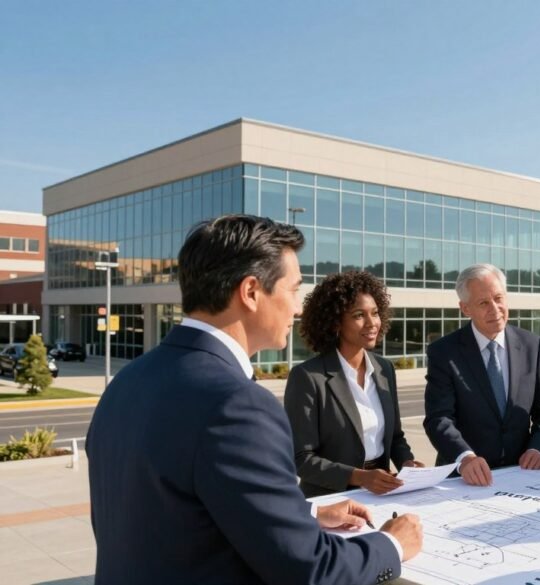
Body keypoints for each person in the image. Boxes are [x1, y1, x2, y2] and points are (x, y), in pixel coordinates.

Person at [87, 215, 423, 585]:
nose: (297, 309)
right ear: (250, 292)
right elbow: (310, 570)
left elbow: (183, 510)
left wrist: (305, 514)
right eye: (293, 290)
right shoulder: (238, 405)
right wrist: (392, 543)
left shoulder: (126, 381)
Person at [285, 271, 424, 497]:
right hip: (330, 498)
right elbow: (300, 458)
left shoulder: (384, 370)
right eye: (359, 315)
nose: (372, 323)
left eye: (375, 313)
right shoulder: (308, 377)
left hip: (381, 492)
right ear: (335, 322)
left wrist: (407, 463)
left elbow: (395, 437)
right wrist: (359, 477)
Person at [423, 263, 540, 486]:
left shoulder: (531, 345)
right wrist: (465, 458)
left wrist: (538, 447)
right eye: (483, 303)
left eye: (498, 298)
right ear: (465, 308)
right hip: (464, 479)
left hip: (521, 474)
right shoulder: (444, 352)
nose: (495, 309)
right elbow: (439, 419)